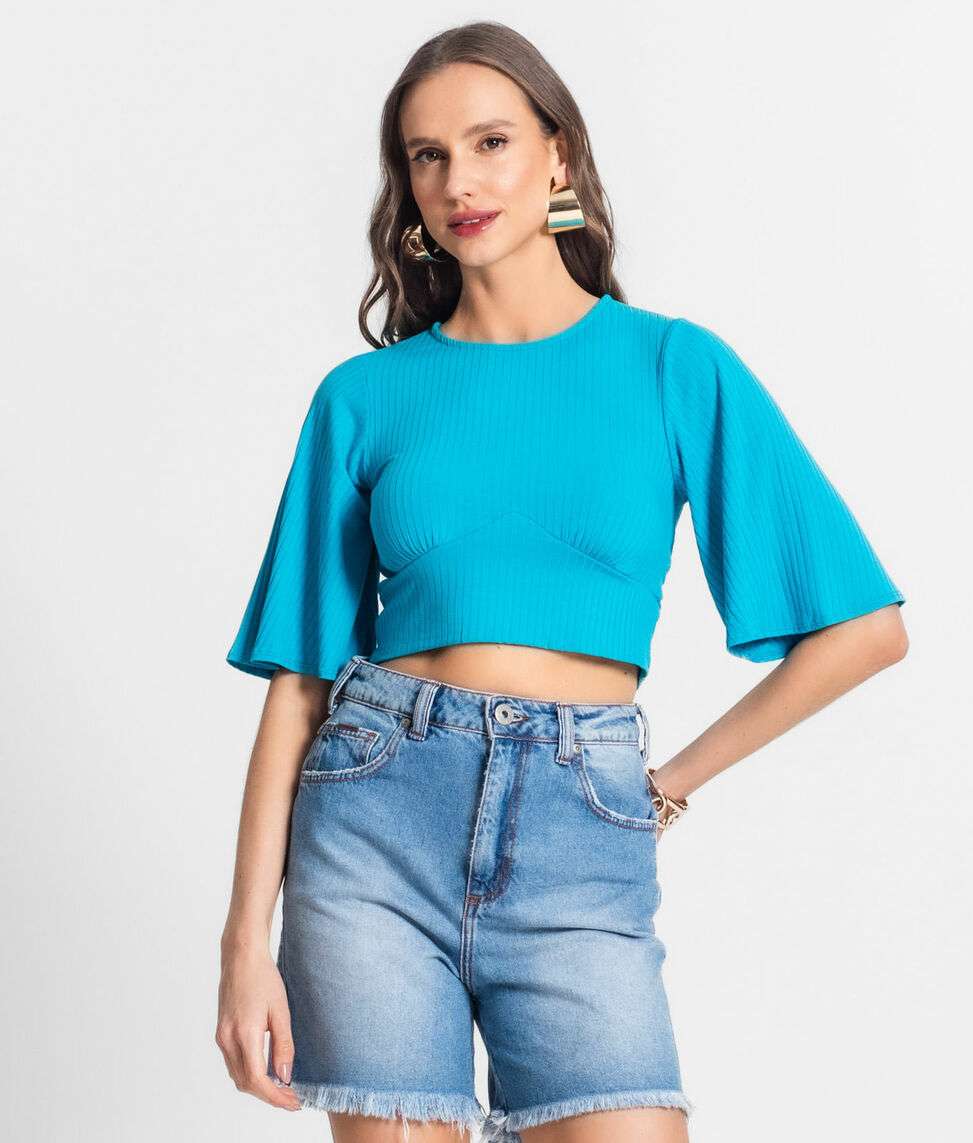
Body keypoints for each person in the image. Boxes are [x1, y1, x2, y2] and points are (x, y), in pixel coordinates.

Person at [216, 20, 908, 1143]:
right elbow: (298, 685)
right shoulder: (363, 397)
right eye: (428, 155)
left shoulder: (673, 365)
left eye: (490, 142)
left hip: (579, 831)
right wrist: (244, 947)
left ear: (559, 156)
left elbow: (863, 629)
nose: (458, 181)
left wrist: (663, 786)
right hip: (376, 821)